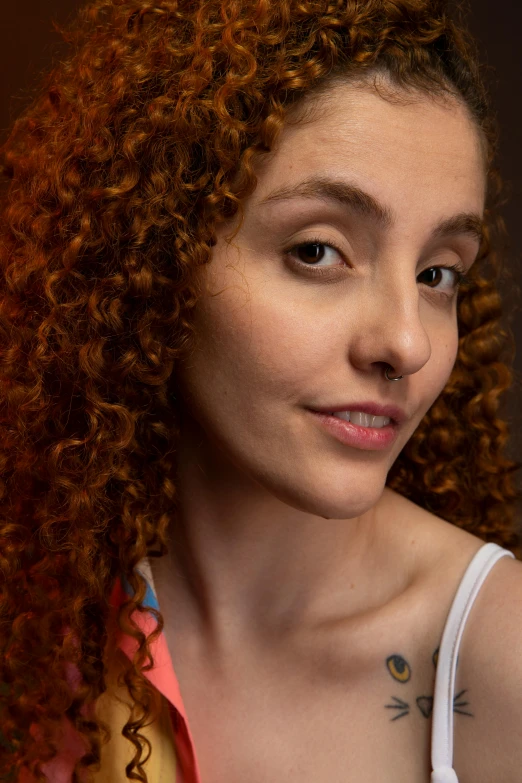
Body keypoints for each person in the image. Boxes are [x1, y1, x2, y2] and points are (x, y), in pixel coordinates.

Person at [1, 0, 521, 781]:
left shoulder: (495, 656)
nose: (407, 343)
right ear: (152, 252)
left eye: (437, 273)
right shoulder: (36, 628)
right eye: (319, 251)